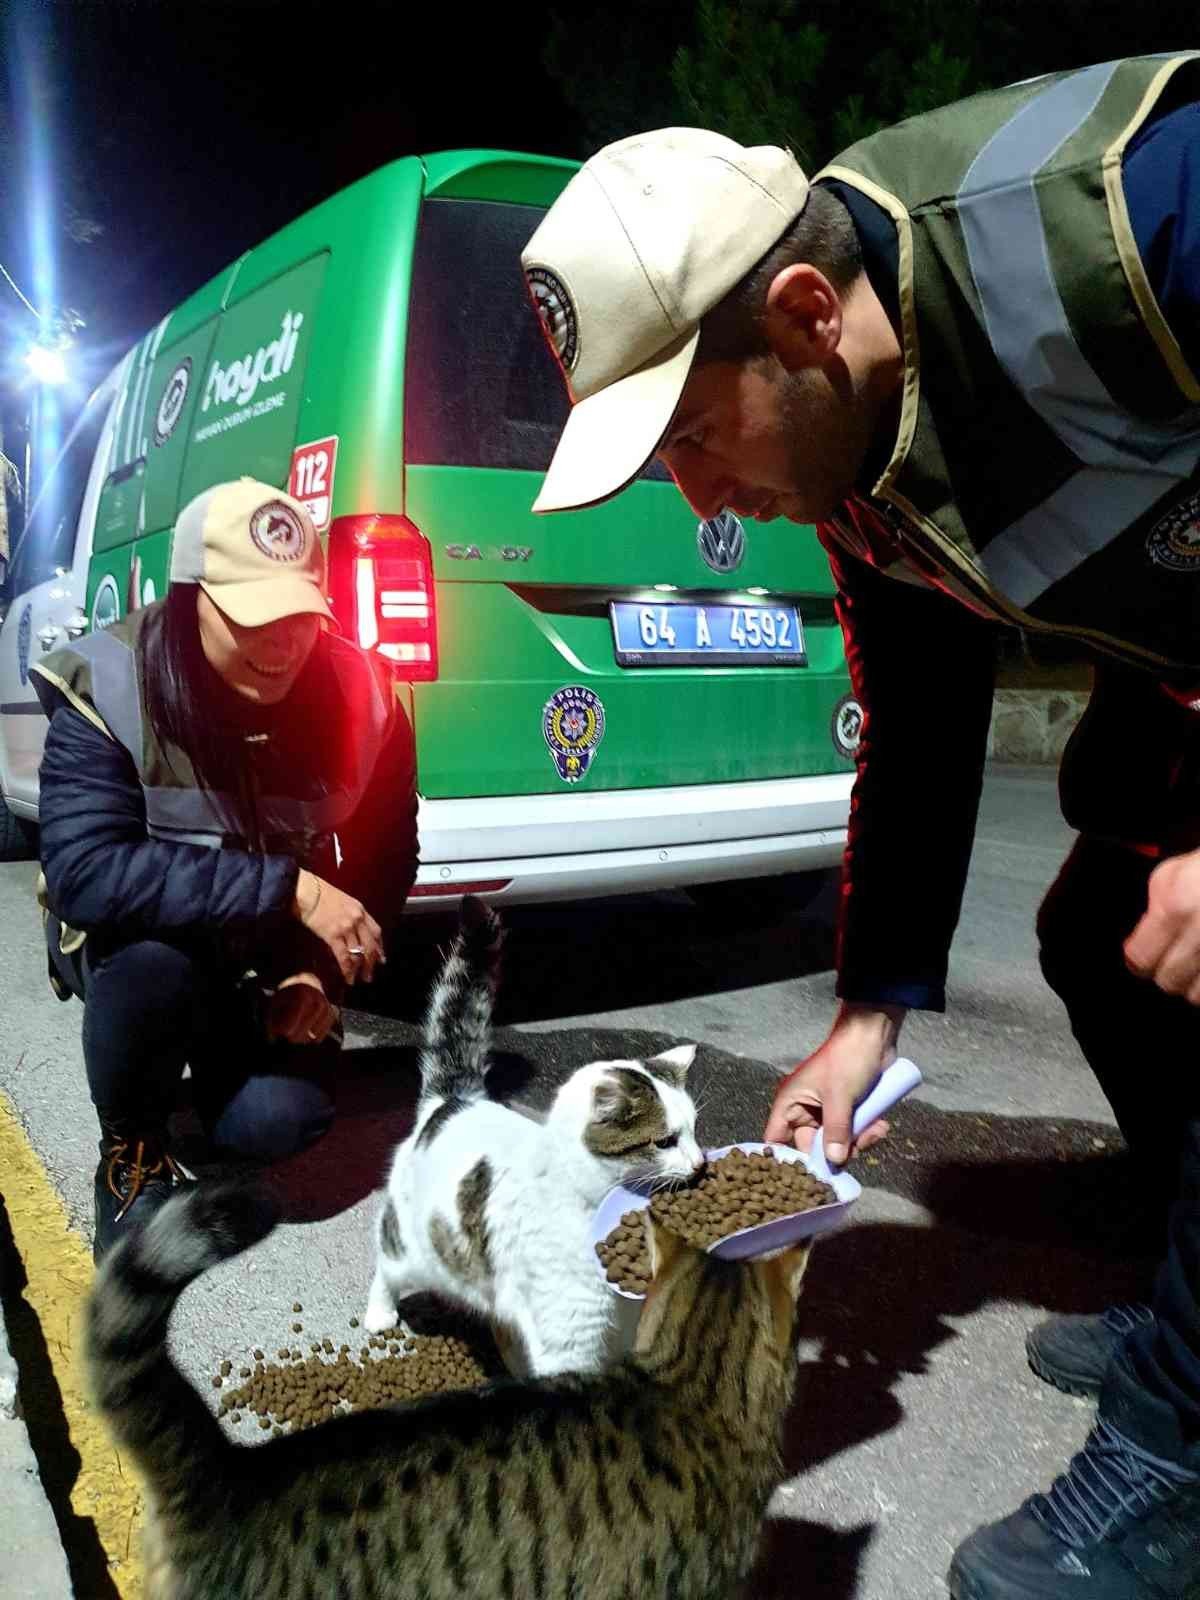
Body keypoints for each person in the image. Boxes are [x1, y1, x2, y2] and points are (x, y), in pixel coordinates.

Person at [520, 54, 1200, 1600]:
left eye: (690, 437)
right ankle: (1187, 1283)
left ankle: (1180, 1446)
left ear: (806, 322)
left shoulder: (1126, 217)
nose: (695, 494)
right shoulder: (854, 451)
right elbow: (922, 727)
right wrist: (863, 1012)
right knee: (1098, 939)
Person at [32, 478, 418, 1261]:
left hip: (262, 957)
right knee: (152, 967)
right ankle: (132, 1154)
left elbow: (385, 856)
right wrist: (291, 888)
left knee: (279, 1123)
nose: (282, 645)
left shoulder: (364, 697)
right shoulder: (108, 683)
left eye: (299, 617)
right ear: (187, 601)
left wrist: (317, 974)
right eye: (252, 617)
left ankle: (213, 1070)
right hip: (144, 948)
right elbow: (84, 872)